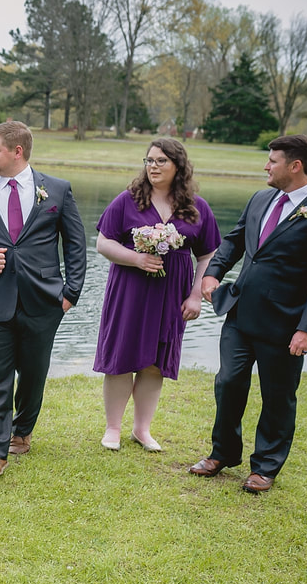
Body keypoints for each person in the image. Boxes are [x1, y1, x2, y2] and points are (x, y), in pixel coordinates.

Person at [192, 135, 307, 493]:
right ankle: (223, 453)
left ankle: (265, 467)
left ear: (295, 166)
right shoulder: (261, 198)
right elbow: (235, 239)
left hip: (286, 323)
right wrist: (215, 271)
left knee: (278, 395)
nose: (266, 166)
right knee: (228, 383)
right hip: (240, 313)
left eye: (272, 161)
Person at [0, 121, 87, 479]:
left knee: (33, 373)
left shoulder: (57, 190)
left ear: (17, 151)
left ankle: (23, 429)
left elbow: (75, 243)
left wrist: (70, 293)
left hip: (44, 300)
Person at [94, 139, 220, 451]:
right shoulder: (128, 200)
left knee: (155, 362)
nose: (153, 166)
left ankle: (142, 429)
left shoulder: (196, 207)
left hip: (172, 294)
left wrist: (195, 295)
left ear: (178, 166)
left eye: (161, 161)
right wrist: (136, 258)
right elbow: (103, 243)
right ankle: (112, 428)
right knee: (121, 358)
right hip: (129, 290)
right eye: (149, 160)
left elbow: (208, 256)